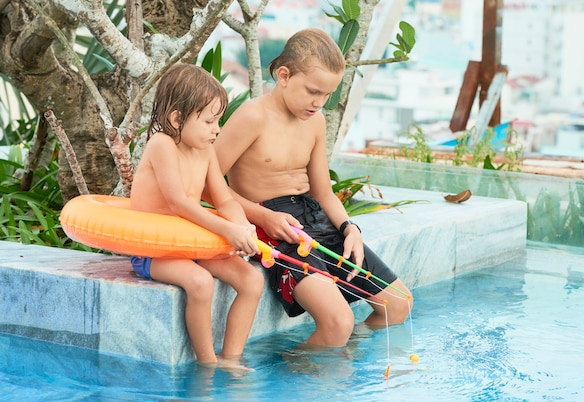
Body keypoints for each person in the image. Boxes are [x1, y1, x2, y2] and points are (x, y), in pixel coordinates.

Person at [213, 28, 412, 348]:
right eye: (312, 92)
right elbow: (208, 185)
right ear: (284, 75)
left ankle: (325, 355)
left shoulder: (315, 122)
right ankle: (300, 370)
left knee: (398, 305)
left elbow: (323, 192)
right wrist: (262, 218)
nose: (319, 103)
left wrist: (350, 228)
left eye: (327, 95)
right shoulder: (252, 117)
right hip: (276, 227)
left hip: (314, 217)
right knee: (338, 322)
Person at [130, 63, 263, 368]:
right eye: (209, 122)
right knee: (201, 283)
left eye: (218, 121)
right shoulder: (162, 144)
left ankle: (231, 358)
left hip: (191, 246)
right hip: (153, 249)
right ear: (177, 118)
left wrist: (242, 226)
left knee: (251, 281)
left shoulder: (205, 151)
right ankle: (208, 363)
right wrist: (225, 230)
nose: (217, 130)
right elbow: (177, 202)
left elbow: (225, 199)